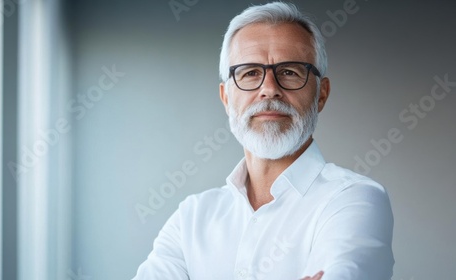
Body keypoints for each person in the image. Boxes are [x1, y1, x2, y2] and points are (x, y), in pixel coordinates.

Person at [133, 2, 394, 279]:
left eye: (290, 72)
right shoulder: (192, 217)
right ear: (226, 98)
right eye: (250, 73)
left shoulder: (354, 200)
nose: (269, 89)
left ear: (321, 94)